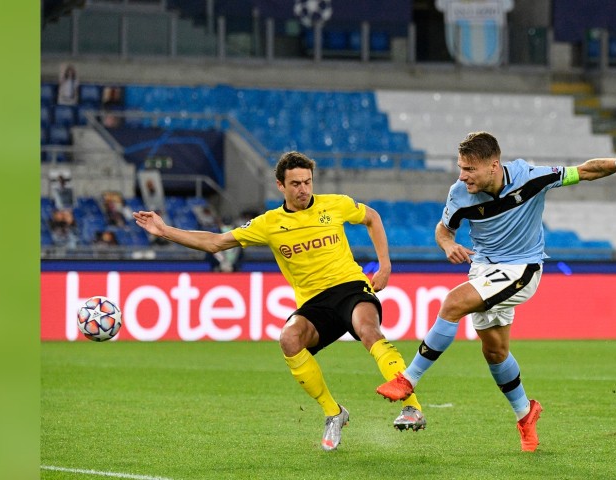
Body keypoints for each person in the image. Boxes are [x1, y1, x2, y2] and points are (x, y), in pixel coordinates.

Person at [133, 151, 426, 451]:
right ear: (280, 186)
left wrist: (385, 265)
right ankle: (333, 412)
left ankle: (411, 407)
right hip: (314, 303)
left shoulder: (334, 204)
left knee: (368, 331)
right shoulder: (269, 224)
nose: (303, 189)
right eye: (296, 183)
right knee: (289, 338)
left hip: (350, 287)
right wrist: (164, 230)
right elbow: (216, 243)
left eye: (308, 182)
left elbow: (372, 217)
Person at [376, 131, 616, 452]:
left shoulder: (531, 178)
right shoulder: (460, 193)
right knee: (495, 352)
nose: (463, 176)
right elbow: (444, 228)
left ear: (493, 165)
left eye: (469, 169)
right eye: (460, 168)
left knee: (453, 303)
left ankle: (408, 379)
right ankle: (526, 414)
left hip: (523, 268)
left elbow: (584, 171)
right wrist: (448, 244)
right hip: (485, 268)